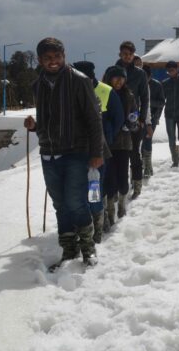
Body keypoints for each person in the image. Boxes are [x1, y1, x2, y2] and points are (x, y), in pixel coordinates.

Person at [23, 38, 105, 269]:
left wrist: (96, 152)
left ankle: (88, 250)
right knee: (60, 204)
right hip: (49, 153)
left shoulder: (79, 81)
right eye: (48, 58)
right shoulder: (37, 85)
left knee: (76, 202)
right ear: (39, 60)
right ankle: (69, 250)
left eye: (57, 56)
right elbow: (49, 121)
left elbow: (93, 119)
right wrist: (34, 126)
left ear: (64, 55)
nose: (53, 62)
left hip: (75, 152)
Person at [72, 60, 123, 243]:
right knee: (78, 190)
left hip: (98, 150)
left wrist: (107, 137)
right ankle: (86, 226)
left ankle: (98, 228)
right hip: (75, 151)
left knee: (95, 189)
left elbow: (118, 118)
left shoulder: (105, 90)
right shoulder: (71, 91)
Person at [101, 66, 137, 226]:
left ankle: (122, 203)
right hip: (107, 143)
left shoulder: (129, 95)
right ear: (109, 78)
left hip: (123, 143)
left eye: (122, 78)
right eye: (115, 78)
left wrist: (132, 122)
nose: (119, 81)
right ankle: (109, 211)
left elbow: (135, 114)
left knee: (122, 177)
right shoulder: (103, 93)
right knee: (109, 179)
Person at [115, 41, 150, 200]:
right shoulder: (113, 71)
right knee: (117, 155)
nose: (127, 57)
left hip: (134, 118)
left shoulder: (140, 73)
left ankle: (136, 184)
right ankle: (117, 187)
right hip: (116, 118)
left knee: (134, 153)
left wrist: (143, 118)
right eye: (124, 54)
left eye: (130, 54)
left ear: (133, 55)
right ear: (120, 54)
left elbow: (145, 97)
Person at [135, 55, 164, 180]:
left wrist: (148, 103)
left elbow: (161, 103)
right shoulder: (133, 82)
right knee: (136, 145)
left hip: (150, 120)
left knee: (147, 142)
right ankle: (138, 167)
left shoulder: (156, 85)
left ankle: (147, 167)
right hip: (136, 119)